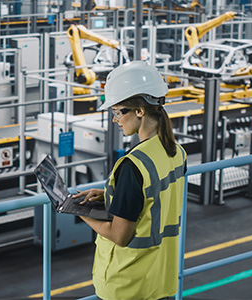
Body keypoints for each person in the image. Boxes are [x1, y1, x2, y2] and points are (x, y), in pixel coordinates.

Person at [73, 61, 187, 300]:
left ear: (140, 111)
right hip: (160, 278)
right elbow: (153, 199)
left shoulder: (133, 165)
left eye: (118, 111)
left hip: (129, 284)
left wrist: (79, 211)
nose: (115, 119)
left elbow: (120, 236)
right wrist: (110, 194)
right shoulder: (176, 152)